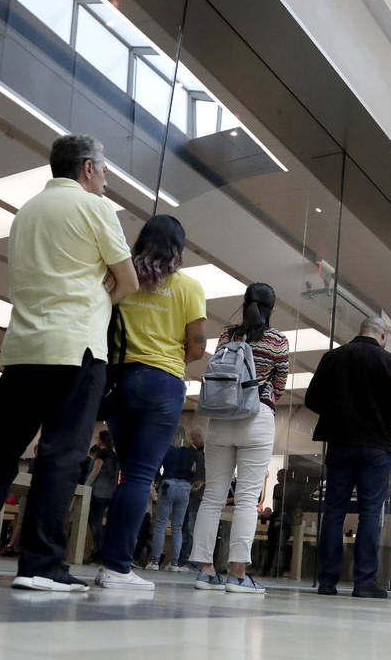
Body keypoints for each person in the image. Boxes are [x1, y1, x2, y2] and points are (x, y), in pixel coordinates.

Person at [0, 134, 137, 591]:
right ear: (88, 168)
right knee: (61, 455)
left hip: (22, 349)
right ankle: (40, 565)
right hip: (75, 349)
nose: (107, 180)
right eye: (106, 171)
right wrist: (96, 298)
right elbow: (128, 281)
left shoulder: (25, 213)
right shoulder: (96, 210)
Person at [93, 214, 206, 591]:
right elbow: (197, 345)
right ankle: (117, 567)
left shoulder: (122, 279)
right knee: (140, 476)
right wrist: (175, 357)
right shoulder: (189, 287)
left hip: (122, 381)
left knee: (128, 472)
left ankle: (109, 562)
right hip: (163, 382)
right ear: (178, 248)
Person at [191, 283, 288, 594]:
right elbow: (280, 383)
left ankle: (205, 571)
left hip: (221, 418)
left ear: (244, 303)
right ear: (273, 309)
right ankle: (237, 574)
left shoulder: (227, 336)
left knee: (212, 497)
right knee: (246, 499)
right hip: (257, 416)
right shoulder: (278, 340)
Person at [306, 317, 391, 598]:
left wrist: (338, 409)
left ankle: (327, 581)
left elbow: (312, 400)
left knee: (334, 512)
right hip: (375, 446)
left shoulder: (334, 357)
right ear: (383, 335)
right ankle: (364, 582)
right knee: (370, 513)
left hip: (339, 443)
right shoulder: (390, 363)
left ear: (359, 330)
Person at [147, 439, 198, 572]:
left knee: (161, 524)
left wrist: (158, 480)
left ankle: (155, 561)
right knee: (178, 527)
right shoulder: (192, 452)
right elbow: (197, 469)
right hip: (185, 487)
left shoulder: (166, 448)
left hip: (168, 484)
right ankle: (175, 563)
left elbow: (156, 467)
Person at [85, 430, 117, 562]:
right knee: (97, 521)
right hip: (110, 493)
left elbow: (95, 471)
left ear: (102, 440)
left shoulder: (101, 453)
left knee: (94, 521)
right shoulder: (114, 456)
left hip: (98, 491)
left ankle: (98, 550)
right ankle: (99, 549)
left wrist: (86, 486)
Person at [177, 427, 205, 569]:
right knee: (187, 528)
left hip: (197, 495)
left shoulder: (201, 454)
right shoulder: (200, 453)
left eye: (194, 439)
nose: (193, 442)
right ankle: (184, 559)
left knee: (190, 528)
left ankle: (190, 561)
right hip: (194, 495)